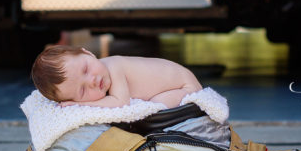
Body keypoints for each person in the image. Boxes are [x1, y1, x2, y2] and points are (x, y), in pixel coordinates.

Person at [31, 45, 202, 109]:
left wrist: (79, 103)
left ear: (88, 53)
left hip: (184, 86)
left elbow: (121, 102)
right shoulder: (101, 73)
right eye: (82, 90)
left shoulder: (114, 66)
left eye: (86, 69)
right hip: (179, 83)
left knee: (153, 109)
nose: (92, 80)